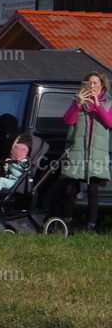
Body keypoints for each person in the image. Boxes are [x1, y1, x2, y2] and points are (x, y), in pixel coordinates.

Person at [58, 70, 112, 233]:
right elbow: (68, 120)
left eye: (95, 83)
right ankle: (67, 225)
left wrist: (97, 105)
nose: (92, 86)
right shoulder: (77, 101)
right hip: (77, 151)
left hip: (97, 154)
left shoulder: (108, 102)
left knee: (92, 190)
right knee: (70, 189)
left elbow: (109, 123)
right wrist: (79, 104)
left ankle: (90, 227)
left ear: (102, 85)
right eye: (89, 83)